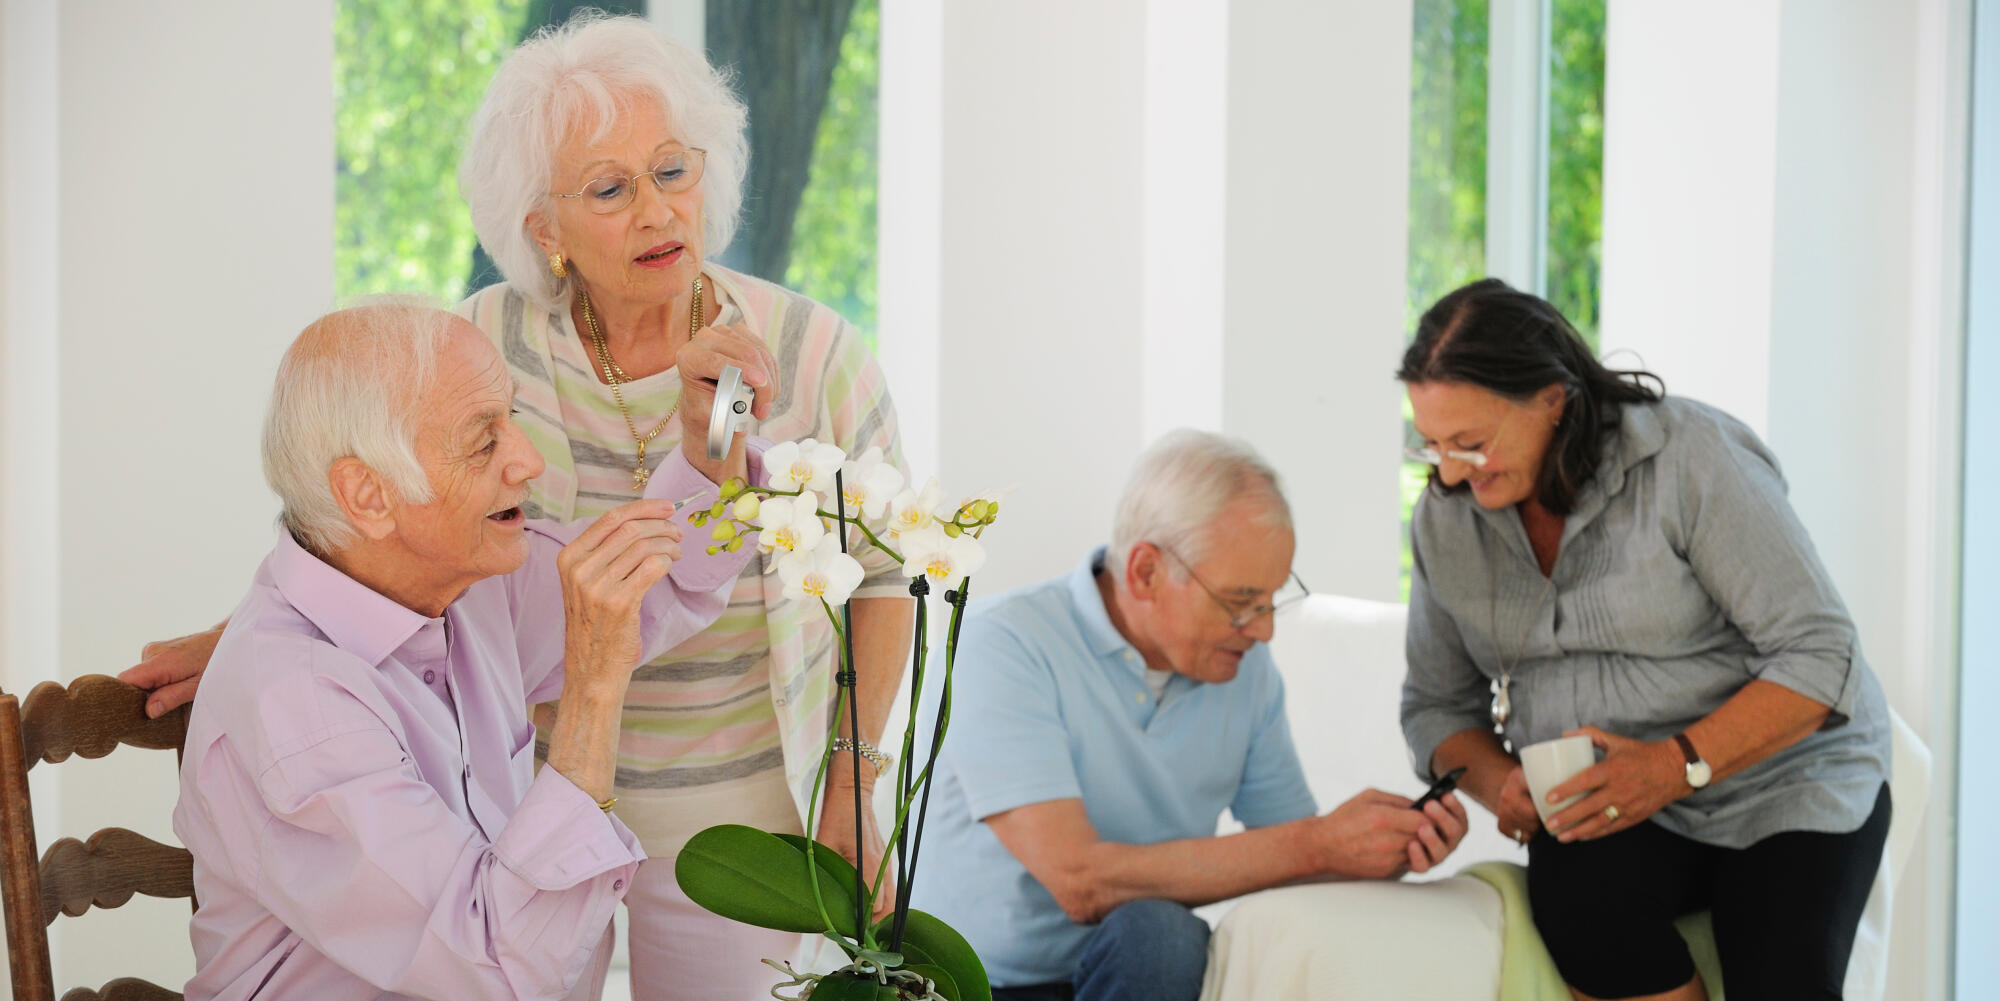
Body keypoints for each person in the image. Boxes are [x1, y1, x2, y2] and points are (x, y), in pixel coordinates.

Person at [127, 14, 911, 998]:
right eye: (610, 188)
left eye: (673, 172)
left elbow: (693, 574)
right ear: (544, 228)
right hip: (544, 800)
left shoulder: (802, 353)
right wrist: (257, 636)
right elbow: (363, 538)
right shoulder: (471, 354)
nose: (658, 212)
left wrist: (852, 783)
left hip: (731, 785)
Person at [177, 301, 760, 1000]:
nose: (528, 461)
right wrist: (594, 684)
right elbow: (492, 969)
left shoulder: (468, 584)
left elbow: (666, 573)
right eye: (484, 442)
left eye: (511, 418)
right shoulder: (299, 707)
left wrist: (717, 420)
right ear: (368, 495)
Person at [1398, 278, 1893, 1001]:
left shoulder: (1690, 457)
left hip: (1784, 780)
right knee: (1576, 902)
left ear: (1552, 399)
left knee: (1784, 976)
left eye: (1471, 445)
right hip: (1621, 805)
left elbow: (1822, 654)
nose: (1448, 473)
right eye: (1432, 445)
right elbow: (1437, 710)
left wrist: (1673, 764)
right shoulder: (1447, 522)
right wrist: (1498, 780)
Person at [909, 430, 1470, 1001]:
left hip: (1134, 976)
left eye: (1273, 600)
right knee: (1159, 933)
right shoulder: (1001, 645)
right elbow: (1079, 882)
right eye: (1241, 601)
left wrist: (1381, 850)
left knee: (1161, 934)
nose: (1265, 630)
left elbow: (1293, 851)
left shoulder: (1243, 672)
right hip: (972, 986)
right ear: (1146, 572)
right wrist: (1321, 844)